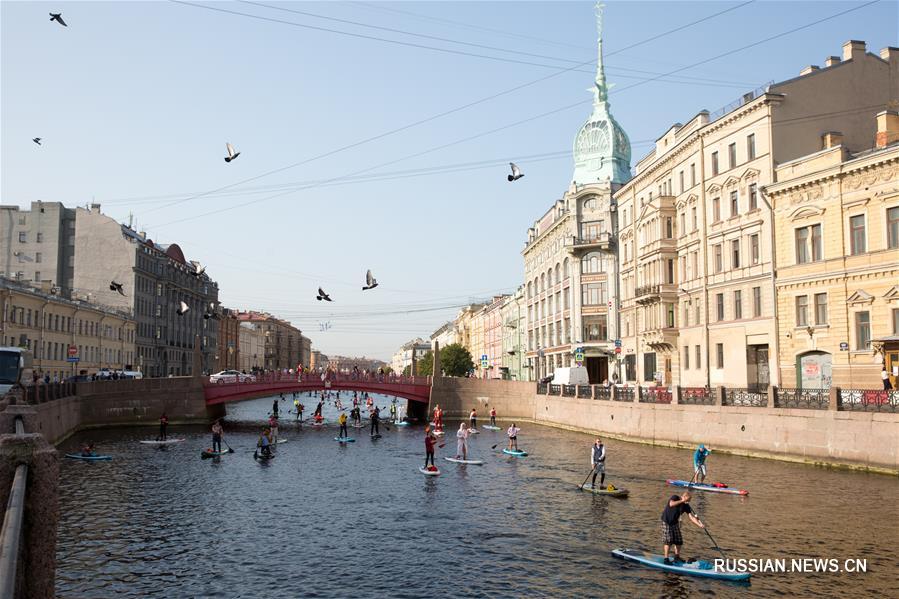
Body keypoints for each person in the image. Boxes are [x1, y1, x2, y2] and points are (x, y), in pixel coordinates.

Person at [661, 492, 704, 563]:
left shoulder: (686, 505)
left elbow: (691, 517)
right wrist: (682, 500)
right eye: (688, 500)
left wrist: (699, 525)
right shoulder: (675, 497)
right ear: (684, 497)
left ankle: (677, 557)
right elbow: (671, 504)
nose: (688, 502)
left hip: (675, 523)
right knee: (668, 541)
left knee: (679, 541)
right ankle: (666, 559)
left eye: (689, 500)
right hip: (666, 521)